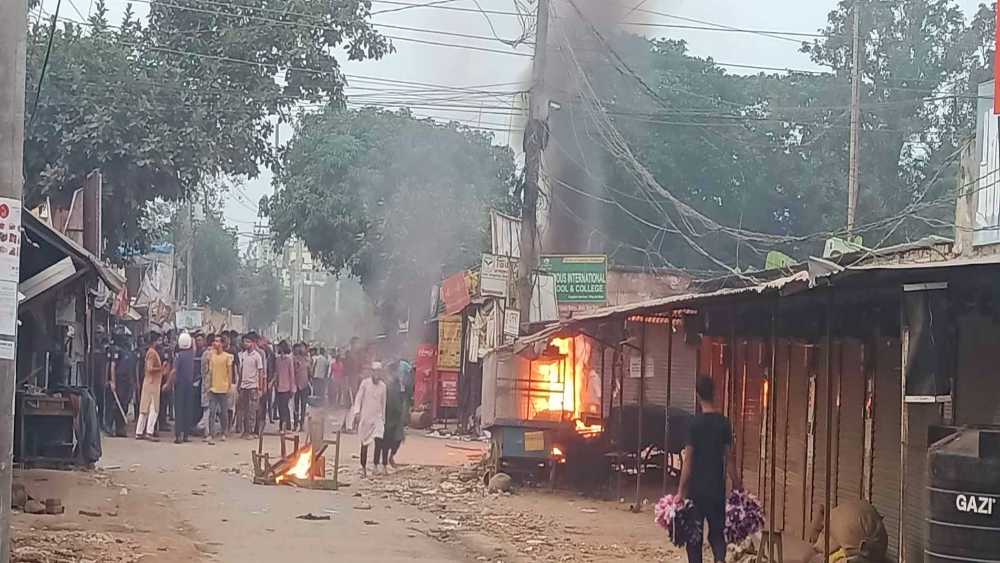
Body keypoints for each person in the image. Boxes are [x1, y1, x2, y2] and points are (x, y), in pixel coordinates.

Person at [678, 376, 741, 563]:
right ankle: (720, 560)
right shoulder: (723, 423)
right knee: (717, 535)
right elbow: (730, 459)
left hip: (696, 492)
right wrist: (737, 486)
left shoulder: (693, 425)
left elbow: (688, 461)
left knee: (694, 538)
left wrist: (681, 492)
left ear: (697, 395)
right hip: (716, 490)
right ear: (714, 393)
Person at [351, 362, 387, 478]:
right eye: (374, 371)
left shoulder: (383, 386)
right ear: (371, 372)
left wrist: (383, 419)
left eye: (379, 372)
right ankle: (363, 467)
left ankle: (376, 466)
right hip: (366, 418)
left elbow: (383, 404)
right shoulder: (365, 384)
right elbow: (358, 399)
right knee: (364, 443)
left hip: (378, 418)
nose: (376, 374)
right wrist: (356, 412)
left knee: (379, 441)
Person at [136, 332, 165, 440]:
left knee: (145, 409)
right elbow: (149, 368)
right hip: (152, 384)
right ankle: (149, 431)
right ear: (155, 341)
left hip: (150, 383)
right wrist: (161, 368)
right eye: (159, 340)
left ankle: (139, 432)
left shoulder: (150, 352)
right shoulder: (152, 353)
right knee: (153, 409)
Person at [206, 336, 235, 444]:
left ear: (222, 344)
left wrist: (229, 386)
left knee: (224, 412)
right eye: (214, 341)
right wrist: (208, 386)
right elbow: (210, 372)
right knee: (212, 412)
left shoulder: (227, 357)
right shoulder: (212, 356)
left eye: (218, 341)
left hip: (223, 388)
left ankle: (224, 432)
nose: (215, 343)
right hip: (213, 388)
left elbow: (230, 372)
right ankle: (211, 434)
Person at [108, 332, 135, 438]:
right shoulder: (116, 350)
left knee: (124, 404)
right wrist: (113, 381)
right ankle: (113, 427)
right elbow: (112, 366)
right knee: (116, 405)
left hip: (127, 382)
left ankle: (121, 428)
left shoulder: (128, 351)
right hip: (119, 381)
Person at [237, 334, 264, 439]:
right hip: (244, 386)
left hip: (253, 386)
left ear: (253, 343)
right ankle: (245, 431)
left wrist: (260, 388)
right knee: (243, 410)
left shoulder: (257, 356)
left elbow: (261, 372)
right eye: (244, 342)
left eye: (248, 341)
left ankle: (251, 432)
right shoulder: (243, 355)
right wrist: (239, 384)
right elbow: (241, 370)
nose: (245, 343)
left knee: (252, 410)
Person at [173, 332, 196, 444]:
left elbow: (174, 370)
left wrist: (168, 383)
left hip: (179, 385)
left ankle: (178, 436)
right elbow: (194, 346)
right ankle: (186, 435)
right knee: (188, 409)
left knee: (179, 410)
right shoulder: (191, 354)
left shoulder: (178, 356)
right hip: (189, 385)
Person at [383, 361, 407, 469]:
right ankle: (384, 462)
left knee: (398, 439)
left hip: (397, 416)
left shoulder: (398, 383)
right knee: (387, 440)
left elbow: (402, 398)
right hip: (388, 415)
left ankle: (390, 457)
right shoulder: (386, 384)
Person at [274, 340, 295, 432]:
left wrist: (292, 388)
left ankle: (287, 426)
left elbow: (292, 374)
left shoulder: (289, 360)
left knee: (285, 407)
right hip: (278, 387)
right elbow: (276, 373)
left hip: (287, 387)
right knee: (280, 407)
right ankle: (281, 426)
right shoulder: (277, 360)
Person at [293, 343, 311, 431]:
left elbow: (309, 372)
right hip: (296, 385)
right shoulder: (294, 360)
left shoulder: (307, 360)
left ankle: (302, 424)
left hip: (304, 385)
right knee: (296, 406)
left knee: (303, 406)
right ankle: (295, 424)